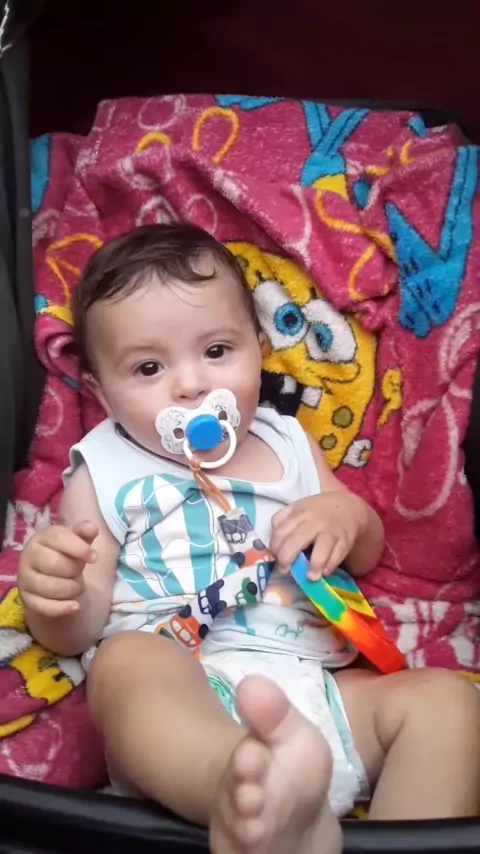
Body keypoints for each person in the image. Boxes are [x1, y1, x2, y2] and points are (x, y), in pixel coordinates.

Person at [18, 224, 480, 854]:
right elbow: (78, 629)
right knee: (124, 666)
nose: (190, 385)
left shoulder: (286, 440)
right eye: (148, 367)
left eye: (217, 351)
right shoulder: (103, 467)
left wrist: (344, 519)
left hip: (316, 687)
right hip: (182, 689)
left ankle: (379, 832)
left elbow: (366, 548)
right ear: (101, 392)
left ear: (259, 350)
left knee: (447, 705)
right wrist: (58, 595)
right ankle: (242, 792)